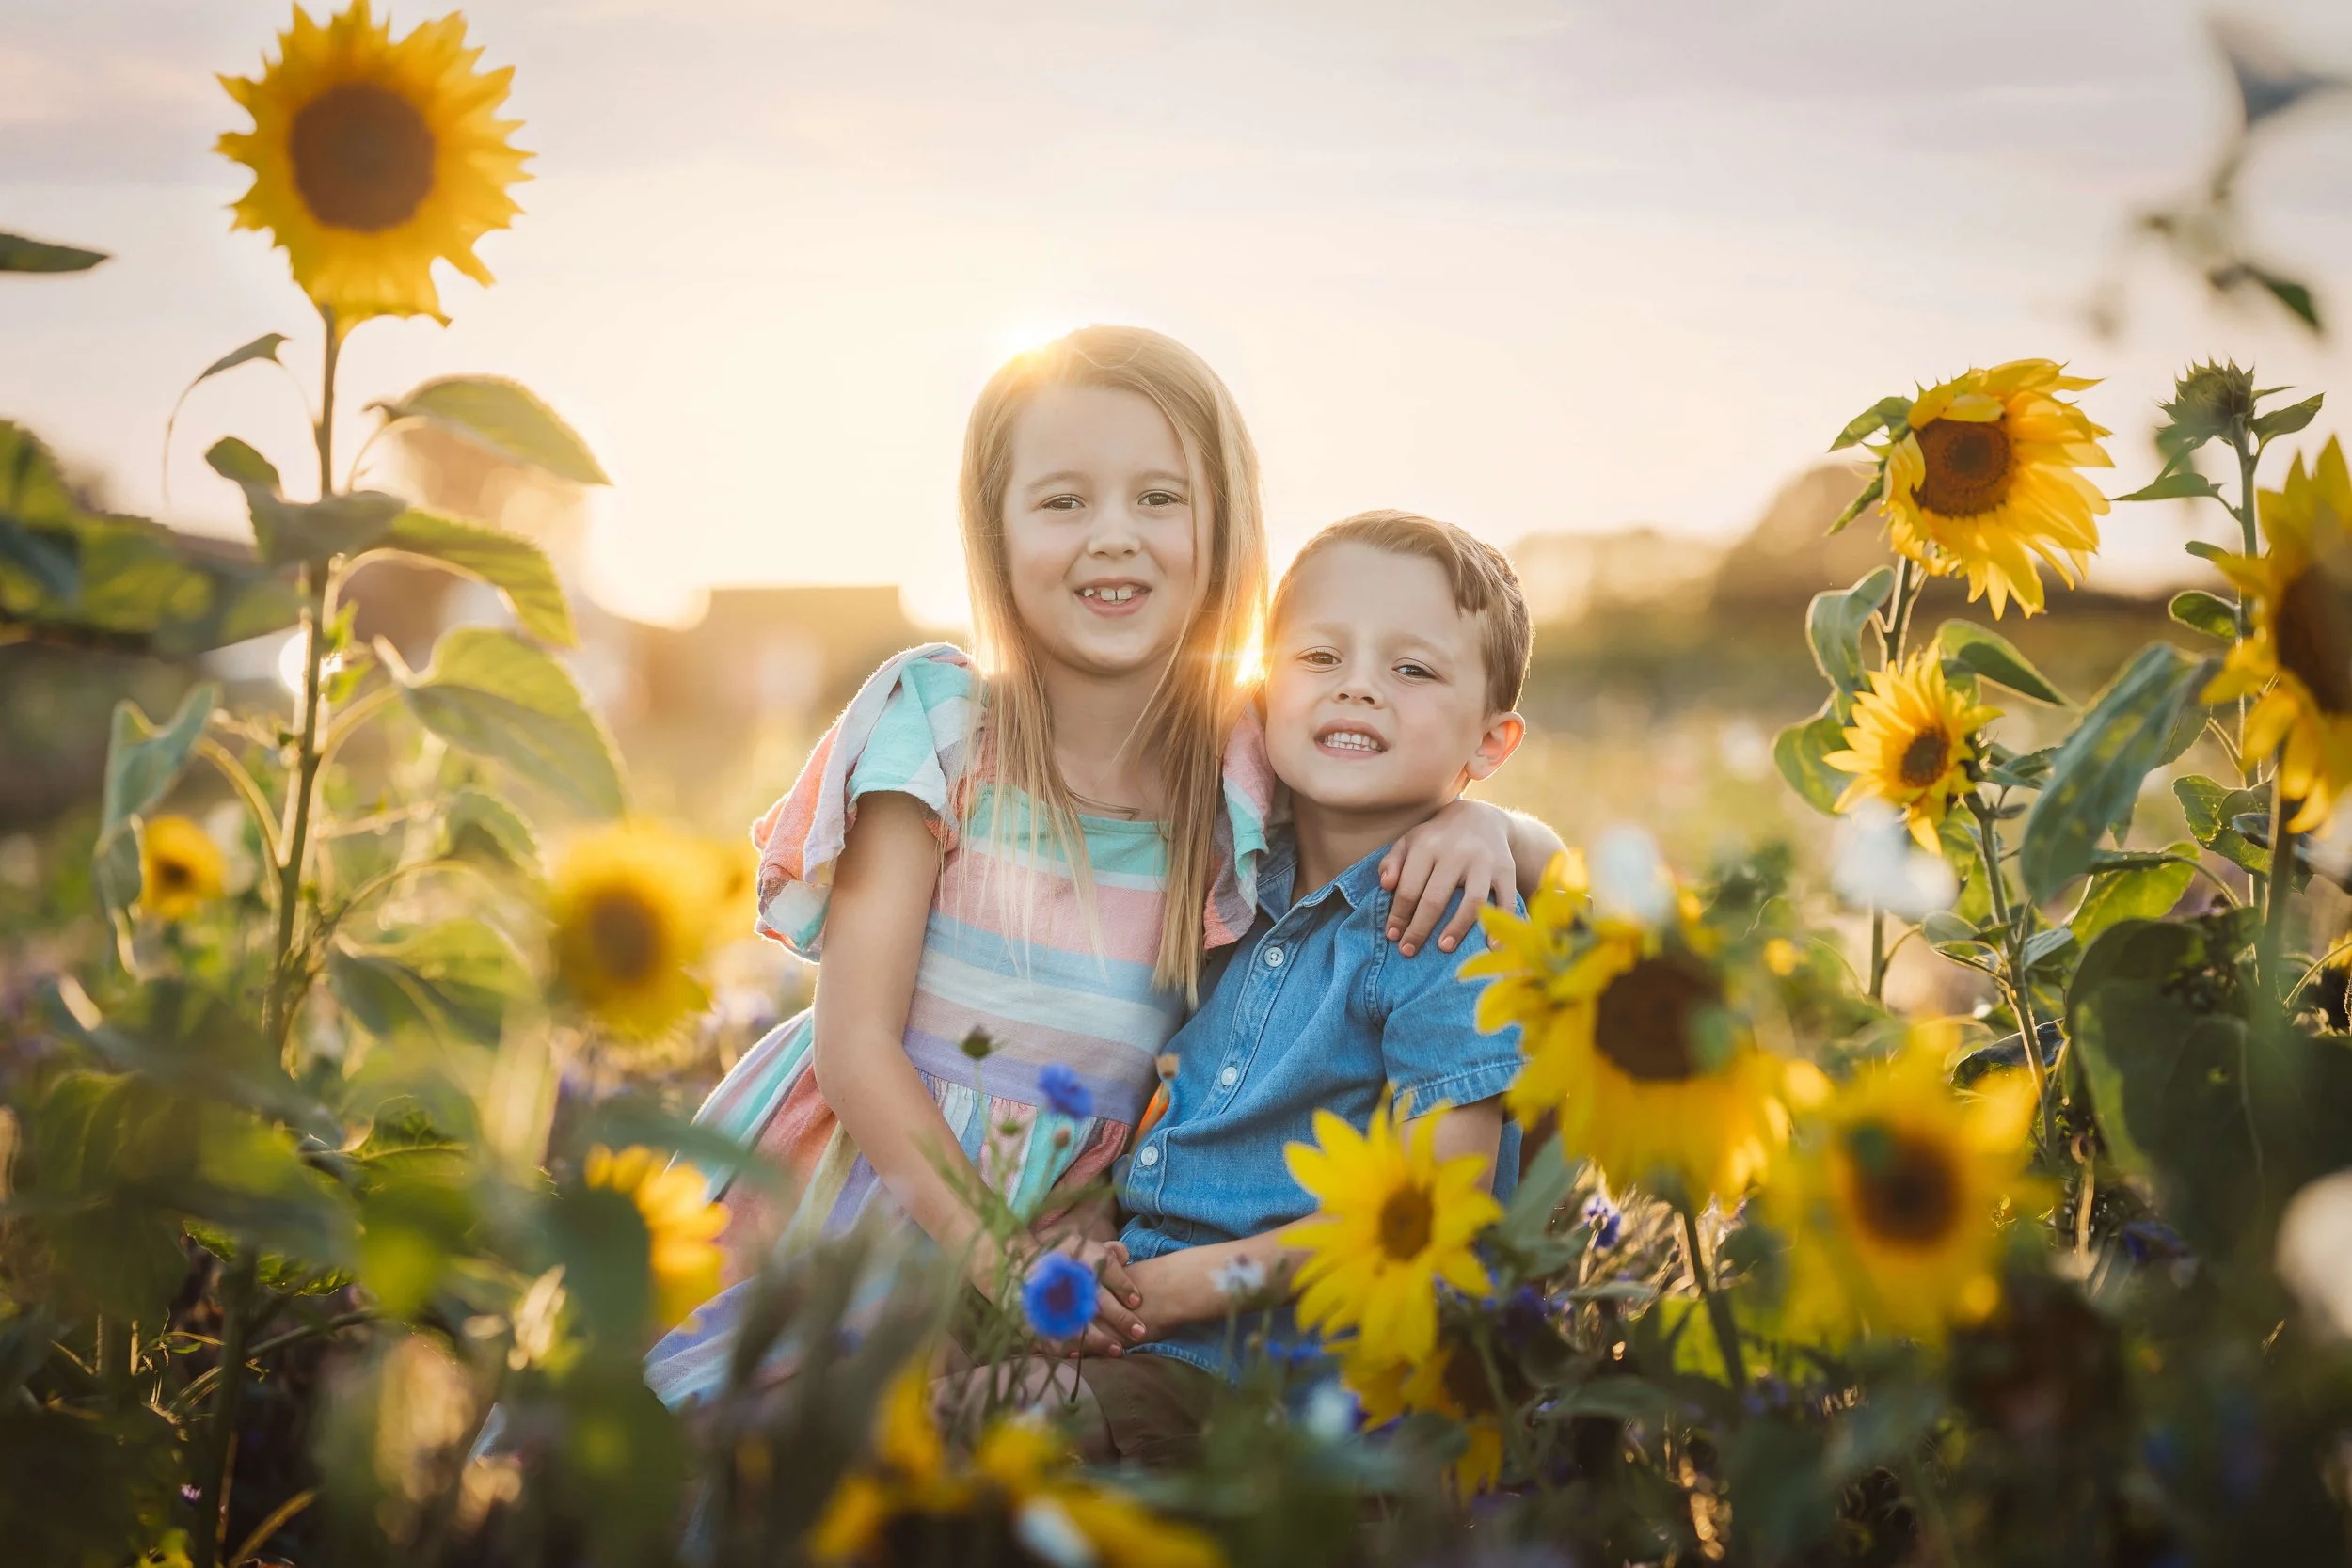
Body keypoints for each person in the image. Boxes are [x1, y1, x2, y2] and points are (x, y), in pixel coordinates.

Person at [645, 332, 1559, 1411]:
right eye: (1064, 500)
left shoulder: (1239, 760)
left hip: (1082, 1238)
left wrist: (1488, 827)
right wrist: (994, 1252)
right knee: (744, 1452)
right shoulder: (940, 726)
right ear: (994, 530)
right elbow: (853, 1047)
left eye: (1159, 497)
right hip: (874, 1188)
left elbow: (1457, 818)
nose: (1112, 537)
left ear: (1222, 528)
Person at [942, 510, 1535, 1464]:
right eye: (1318, 655)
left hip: (1273, 1376)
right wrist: (1096, 1232)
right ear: (1261, 689)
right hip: (1130, 1304)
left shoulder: (1446, 926)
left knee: (958, 1428)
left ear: (1490, 742)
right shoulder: (1225, 873)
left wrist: (1174, 1288)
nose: (1356, 685)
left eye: (1411, 669)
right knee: (857, 1361)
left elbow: (1439, 1212)